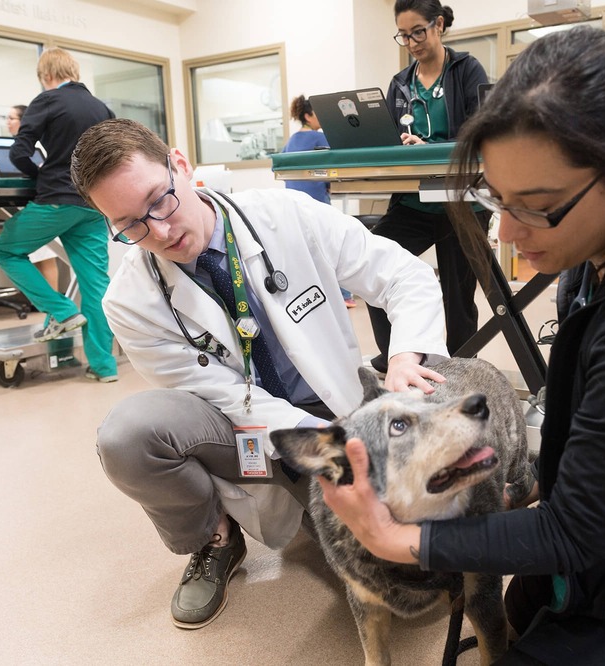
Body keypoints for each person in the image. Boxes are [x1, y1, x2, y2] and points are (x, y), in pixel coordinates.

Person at [320, 26, 605, 664]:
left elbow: (572, 534)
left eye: (538, 206)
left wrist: (395, 539)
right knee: (520, 611)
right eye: (498, 200)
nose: (509, 233)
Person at [70, 118, 449, 630]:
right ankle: (214, 537)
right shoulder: (130, 301)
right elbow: (223, 397)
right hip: (239, 428)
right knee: (128, 437)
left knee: (406, 583)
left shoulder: (285, 214)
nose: (158, 231)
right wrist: (320, 446)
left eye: (160, 201)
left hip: (336, 403)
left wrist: (404, 356)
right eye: (131, 225)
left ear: (180, 165)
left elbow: (403, 276)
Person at [366, 0, 490, 373]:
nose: (412, 42)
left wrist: (431, 147)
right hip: (414, 203)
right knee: (374, 268)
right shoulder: (400, 83)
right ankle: (398, 358)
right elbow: (387, 136)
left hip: (462, 203)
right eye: (404, 35)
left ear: (438, 25)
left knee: (458, 298)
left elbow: (479, 131)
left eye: (418, 31)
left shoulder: (466, 70)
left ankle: (461, 370)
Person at [0, 47, 118, 382]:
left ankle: (61, 310)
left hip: (57, 200)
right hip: (93, 205)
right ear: (73, 71)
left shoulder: (46, 100)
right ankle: (105, 367)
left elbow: (20, 151)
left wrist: (39, 175)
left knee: (5, 250)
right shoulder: (101, 107)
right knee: (95, 285)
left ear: (46, 76)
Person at [281, 94, 355, 308]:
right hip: (317, 204)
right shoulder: (320, 138)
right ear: (308, 115)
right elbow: (336, 164)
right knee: (333, 247)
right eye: (318, 114)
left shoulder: (291, 140)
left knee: (307, 252)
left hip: (293, 206)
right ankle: (344, 295)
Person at [5, 104, 60, 292]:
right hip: (43, 202)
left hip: (47, 203)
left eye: (12, 118)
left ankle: (58, 308)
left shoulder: (35, 146)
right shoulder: (18, 146)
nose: (7, 122)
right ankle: (56, 308)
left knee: (44, 255)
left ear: (24, 121)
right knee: (37, 255)